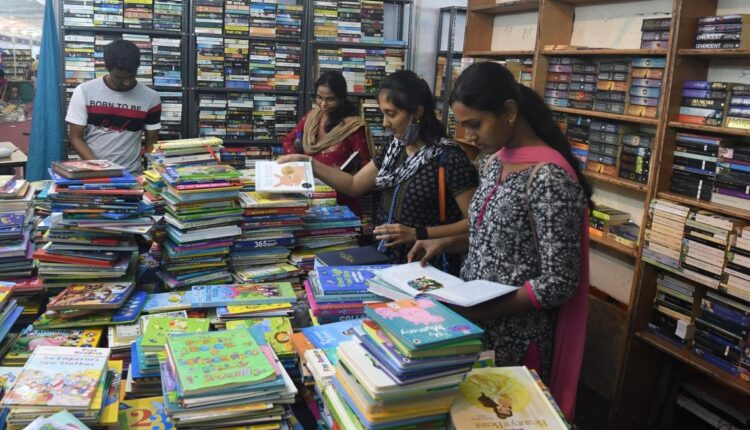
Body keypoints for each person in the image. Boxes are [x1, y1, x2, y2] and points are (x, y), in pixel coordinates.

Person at [407, 61, 592, 421]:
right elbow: (492, 237)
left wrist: (480, 310)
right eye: (462, 125)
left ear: (509, 111)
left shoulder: (549, 178)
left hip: (517, 340)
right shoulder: (493, 163)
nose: (468, 136)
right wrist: (444, 244)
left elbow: (559, 282)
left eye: (475, 124)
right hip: (476, 327)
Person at [278, 70, 478, 272]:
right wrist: (309, 163)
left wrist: (417, 233)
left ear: (417, 112)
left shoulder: (448, 157)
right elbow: (354, 184)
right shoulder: (394, 147)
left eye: (391, 114)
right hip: (386, 258)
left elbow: (474, 222)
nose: (385, 123)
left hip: (426, 265)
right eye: (383, 113)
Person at [281, 71, 373, 215]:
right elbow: (288, 140)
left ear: (341, 98)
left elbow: (366, 168)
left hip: (341, 200)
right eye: (319, 97)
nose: (323, 104)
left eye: (330, 99)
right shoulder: (311, 117)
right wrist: (297, 162)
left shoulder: (353, 128)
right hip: (310, 195)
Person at [65, 39, 161, 176]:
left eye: (131, 75)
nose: (127, 82)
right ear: (107, 67)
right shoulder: (84, 91)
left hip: (131, 175)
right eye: (120, 78)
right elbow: (76, 138)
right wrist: (102, 169)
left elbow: (152, 142)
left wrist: (153, 174)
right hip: (93, 173)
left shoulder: (151, 97)